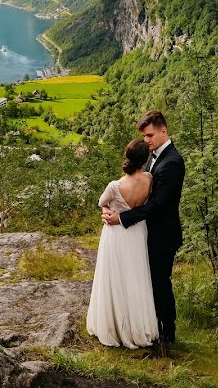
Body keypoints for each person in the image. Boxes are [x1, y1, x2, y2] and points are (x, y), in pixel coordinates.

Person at [103, 110, 185, 344]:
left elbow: (158, 204)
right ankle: (148, 326)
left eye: (149, 136)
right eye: (144, 137)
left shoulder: (172, 163)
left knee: (160, 282)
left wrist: (122, 218)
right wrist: (109, 208)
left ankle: (168, 333)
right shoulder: (152, 156)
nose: (146, 141)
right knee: (144, 281)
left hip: (163, 234)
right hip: (145, 233)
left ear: (163, 130)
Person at [86, 138, 158, 348]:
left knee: (114, 278)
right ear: (145, 160)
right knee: (136, 277)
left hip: (116, 233)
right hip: (137, 232)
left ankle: (113, 327)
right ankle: (137, 327)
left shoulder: (115, 185)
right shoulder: (149, 179)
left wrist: (107, 211)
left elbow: (101, 203)